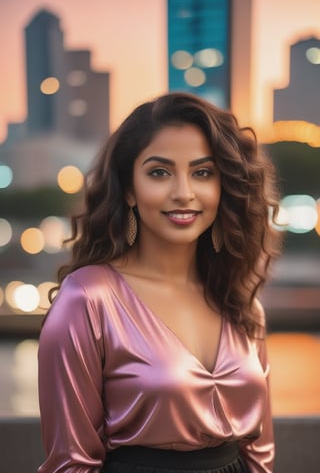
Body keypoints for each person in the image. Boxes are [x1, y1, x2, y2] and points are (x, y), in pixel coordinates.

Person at [38, 92, 281, 473]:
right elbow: (70, 464)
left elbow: (260, 452)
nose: (183, 192)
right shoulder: (88, 299)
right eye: (159, 172)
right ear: (129, 188)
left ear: (224, 186)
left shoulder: (241, 300)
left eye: (202, 172)